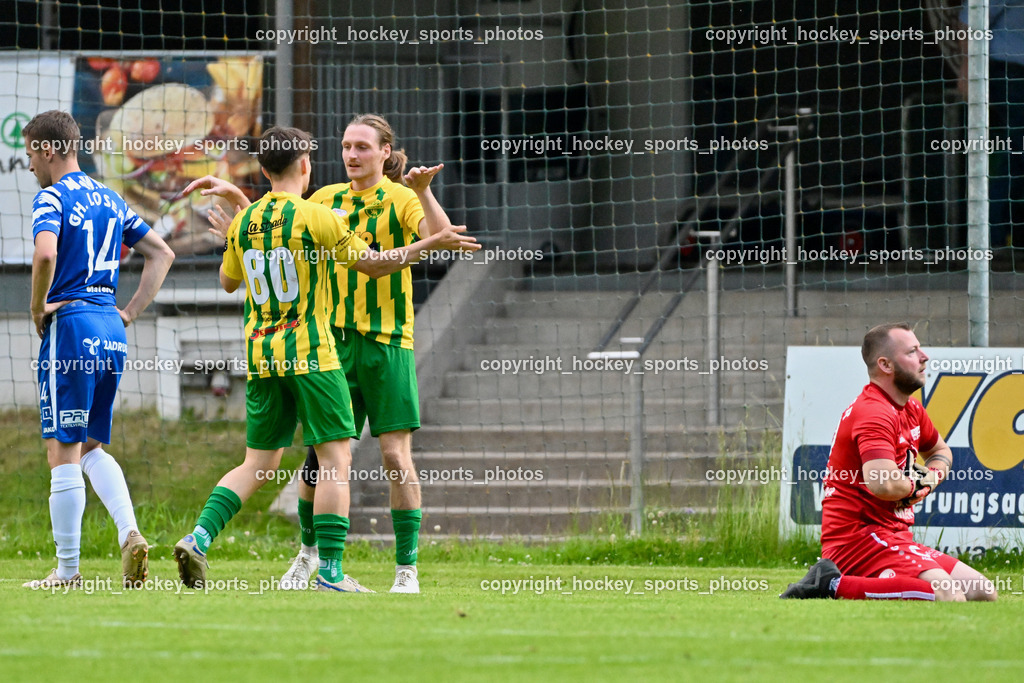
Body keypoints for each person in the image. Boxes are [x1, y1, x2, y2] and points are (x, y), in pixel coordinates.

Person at [173, 126, 477, 593]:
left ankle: (201, 537)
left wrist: (239, 209)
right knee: (331, 460)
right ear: (307, 166)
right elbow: (371, 261)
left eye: (360, 147)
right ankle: (325, 569)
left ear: (385, 152)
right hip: (318, 347)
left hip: (295, 351)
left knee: (274, 461)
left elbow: (235, 273)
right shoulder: (322, 213)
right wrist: (424, 250)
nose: (351, 155)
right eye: (344, 147)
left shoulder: (383, 199)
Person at [22, 110, 175, 589]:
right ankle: (129, 532)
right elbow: (162, 253)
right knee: (90, 446)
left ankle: (67, 571)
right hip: (111, 327)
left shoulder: (51, 198)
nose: (28, 164)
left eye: (29, 152)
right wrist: (128, 312)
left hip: (70, 326)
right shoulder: (110, 197)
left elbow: (46, 253)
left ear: (48, 149)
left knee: (61, 449)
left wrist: (37, 306)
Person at [781, 323, 997, 601]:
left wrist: (929, 478)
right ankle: (829, 583)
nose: (924, 356)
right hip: (858, 540)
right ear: (885, 364)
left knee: (983, 591)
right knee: (949, 594)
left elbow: (941, 451)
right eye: (912, 351)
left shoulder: (911, 408)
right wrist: (915, 485)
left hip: (892, 537)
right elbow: (883, 484)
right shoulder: (874, 412)